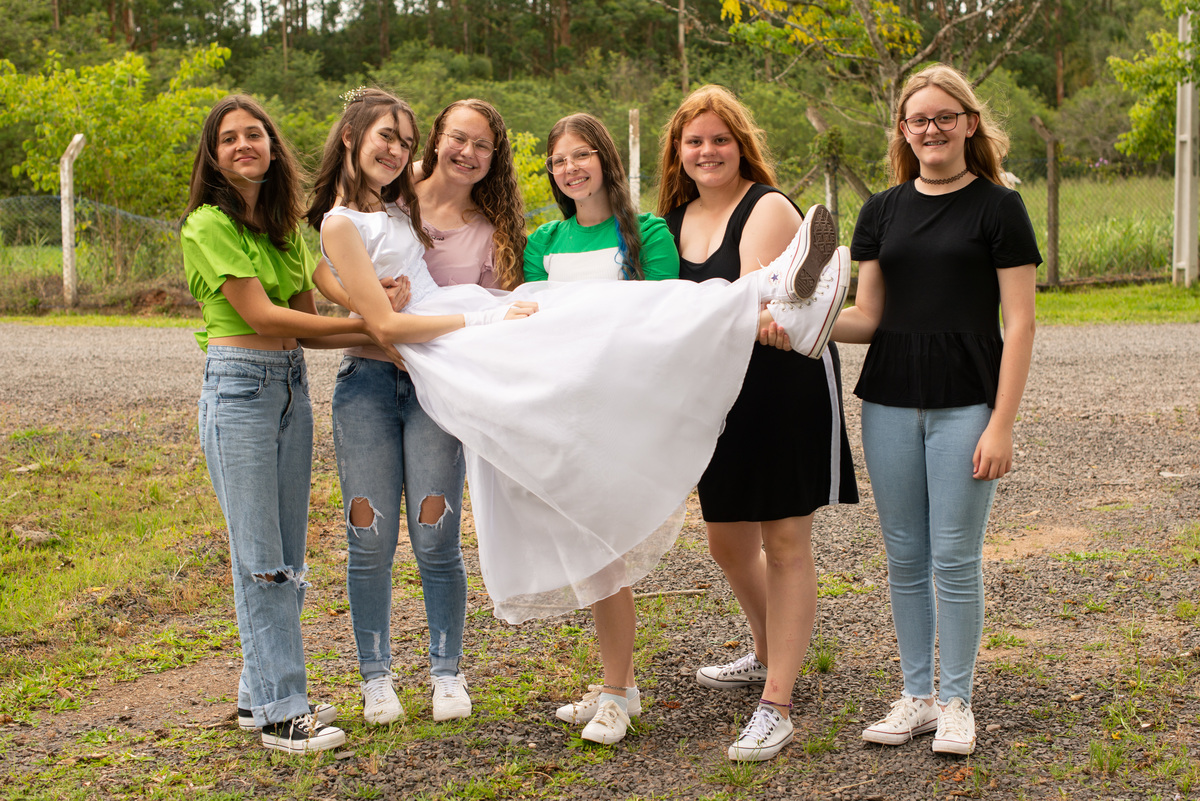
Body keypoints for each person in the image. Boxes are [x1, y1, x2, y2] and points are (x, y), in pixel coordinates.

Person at [307, 86, 847, 738]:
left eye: (483, 144)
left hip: (464, 326)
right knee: (562, 318)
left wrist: (458, 308)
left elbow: (350, 266)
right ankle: (772, 296)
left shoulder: (425, 214)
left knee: (602, 308)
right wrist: (434, 311)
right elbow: (335, 268)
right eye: (454, 139)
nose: (468, 152)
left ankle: (778, 294)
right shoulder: (388, 206)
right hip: (444, 337)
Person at [834, 63, 1038, 756]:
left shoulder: (999, 207)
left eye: (944, 116)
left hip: (967, 405)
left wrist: (1001, 422)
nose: (931, 128)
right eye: (918, 119)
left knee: (954, 557)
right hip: (888, 400)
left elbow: (1022, 322)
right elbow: (866, 317)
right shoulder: (881, 210)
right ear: (903, 130)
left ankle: (957, 700)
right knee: (904, 556)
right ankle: (915, 696)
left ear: (969, 123)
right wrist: (795, 320)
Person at [656, 84, 859, 762]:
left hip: (781, 385)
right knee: (725, 541)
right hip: (718, 392)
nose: (707, 151)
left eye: (719, 138)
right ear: (677, 153)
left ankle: (777, 701)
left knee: (785, 540)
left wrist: (769, 312)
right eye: (694, 141)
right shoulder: (676, 218)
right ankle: (771, 646)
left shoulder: (767, 206)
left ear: (741, 144)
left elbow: (743, 306)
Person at [180, 95, 388, 753]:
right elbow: (265, 318)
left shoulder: (283, 230)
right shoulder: (206, 224)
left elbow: (308, 326)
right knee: (261, 561)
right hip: (238, 390)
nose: (245, 145)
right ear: (214, 156)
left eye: (256, 134)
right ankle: (280, 711)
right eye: (230, 138)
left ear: (273, 147)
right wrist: (368, 322)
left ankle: (257, 692)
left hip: (290, 388)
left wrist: (375, 319)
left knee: (288, 556)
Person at [311, 98, 527, 728]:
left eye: (404, 142)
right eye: (388, 138)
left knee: (436, 536)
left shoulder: (395, 206)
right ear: (352, 136)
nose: (396, 151)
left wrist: (381, 306)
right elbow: (329, 273)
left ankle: (446, 671)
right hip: (370, 384)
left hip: (434, 381)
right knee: (369, 538)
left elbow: (385, 281)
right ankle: (376, 678)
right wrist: (366, 303)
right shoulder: (348, 217)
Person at [522, 112, 678, 746]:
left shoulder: (647, 233)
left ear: (606, 160)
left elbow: (663, 319)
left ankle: (616, 692)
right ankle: (622, 682)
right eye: (559, 161)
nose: (570, 168)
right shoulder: (543, 240)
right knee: (586, 551)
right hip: (565, 411)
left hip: (621, 409)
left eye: (582, 154)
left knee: (603, 551)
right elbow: (534, 324)